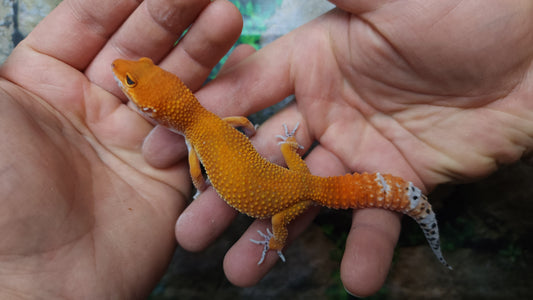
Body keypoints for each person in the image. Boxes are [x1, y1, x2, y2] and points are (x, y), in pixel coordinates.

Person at [1, 0, 531, 298]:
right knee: (304, 193)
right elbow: (232, 123)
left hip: (292, 196)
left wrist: (269, 232)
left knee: (279, 222)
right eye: (134, 79)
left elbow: (203, 172)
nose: (126, 75)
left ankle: (313, 229)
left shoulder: (198, 138)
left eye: (135, 81)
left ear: (159, 109)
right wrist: (276, 146)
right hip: (293, 175)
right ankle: (413, 210)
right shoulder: (209, 121)